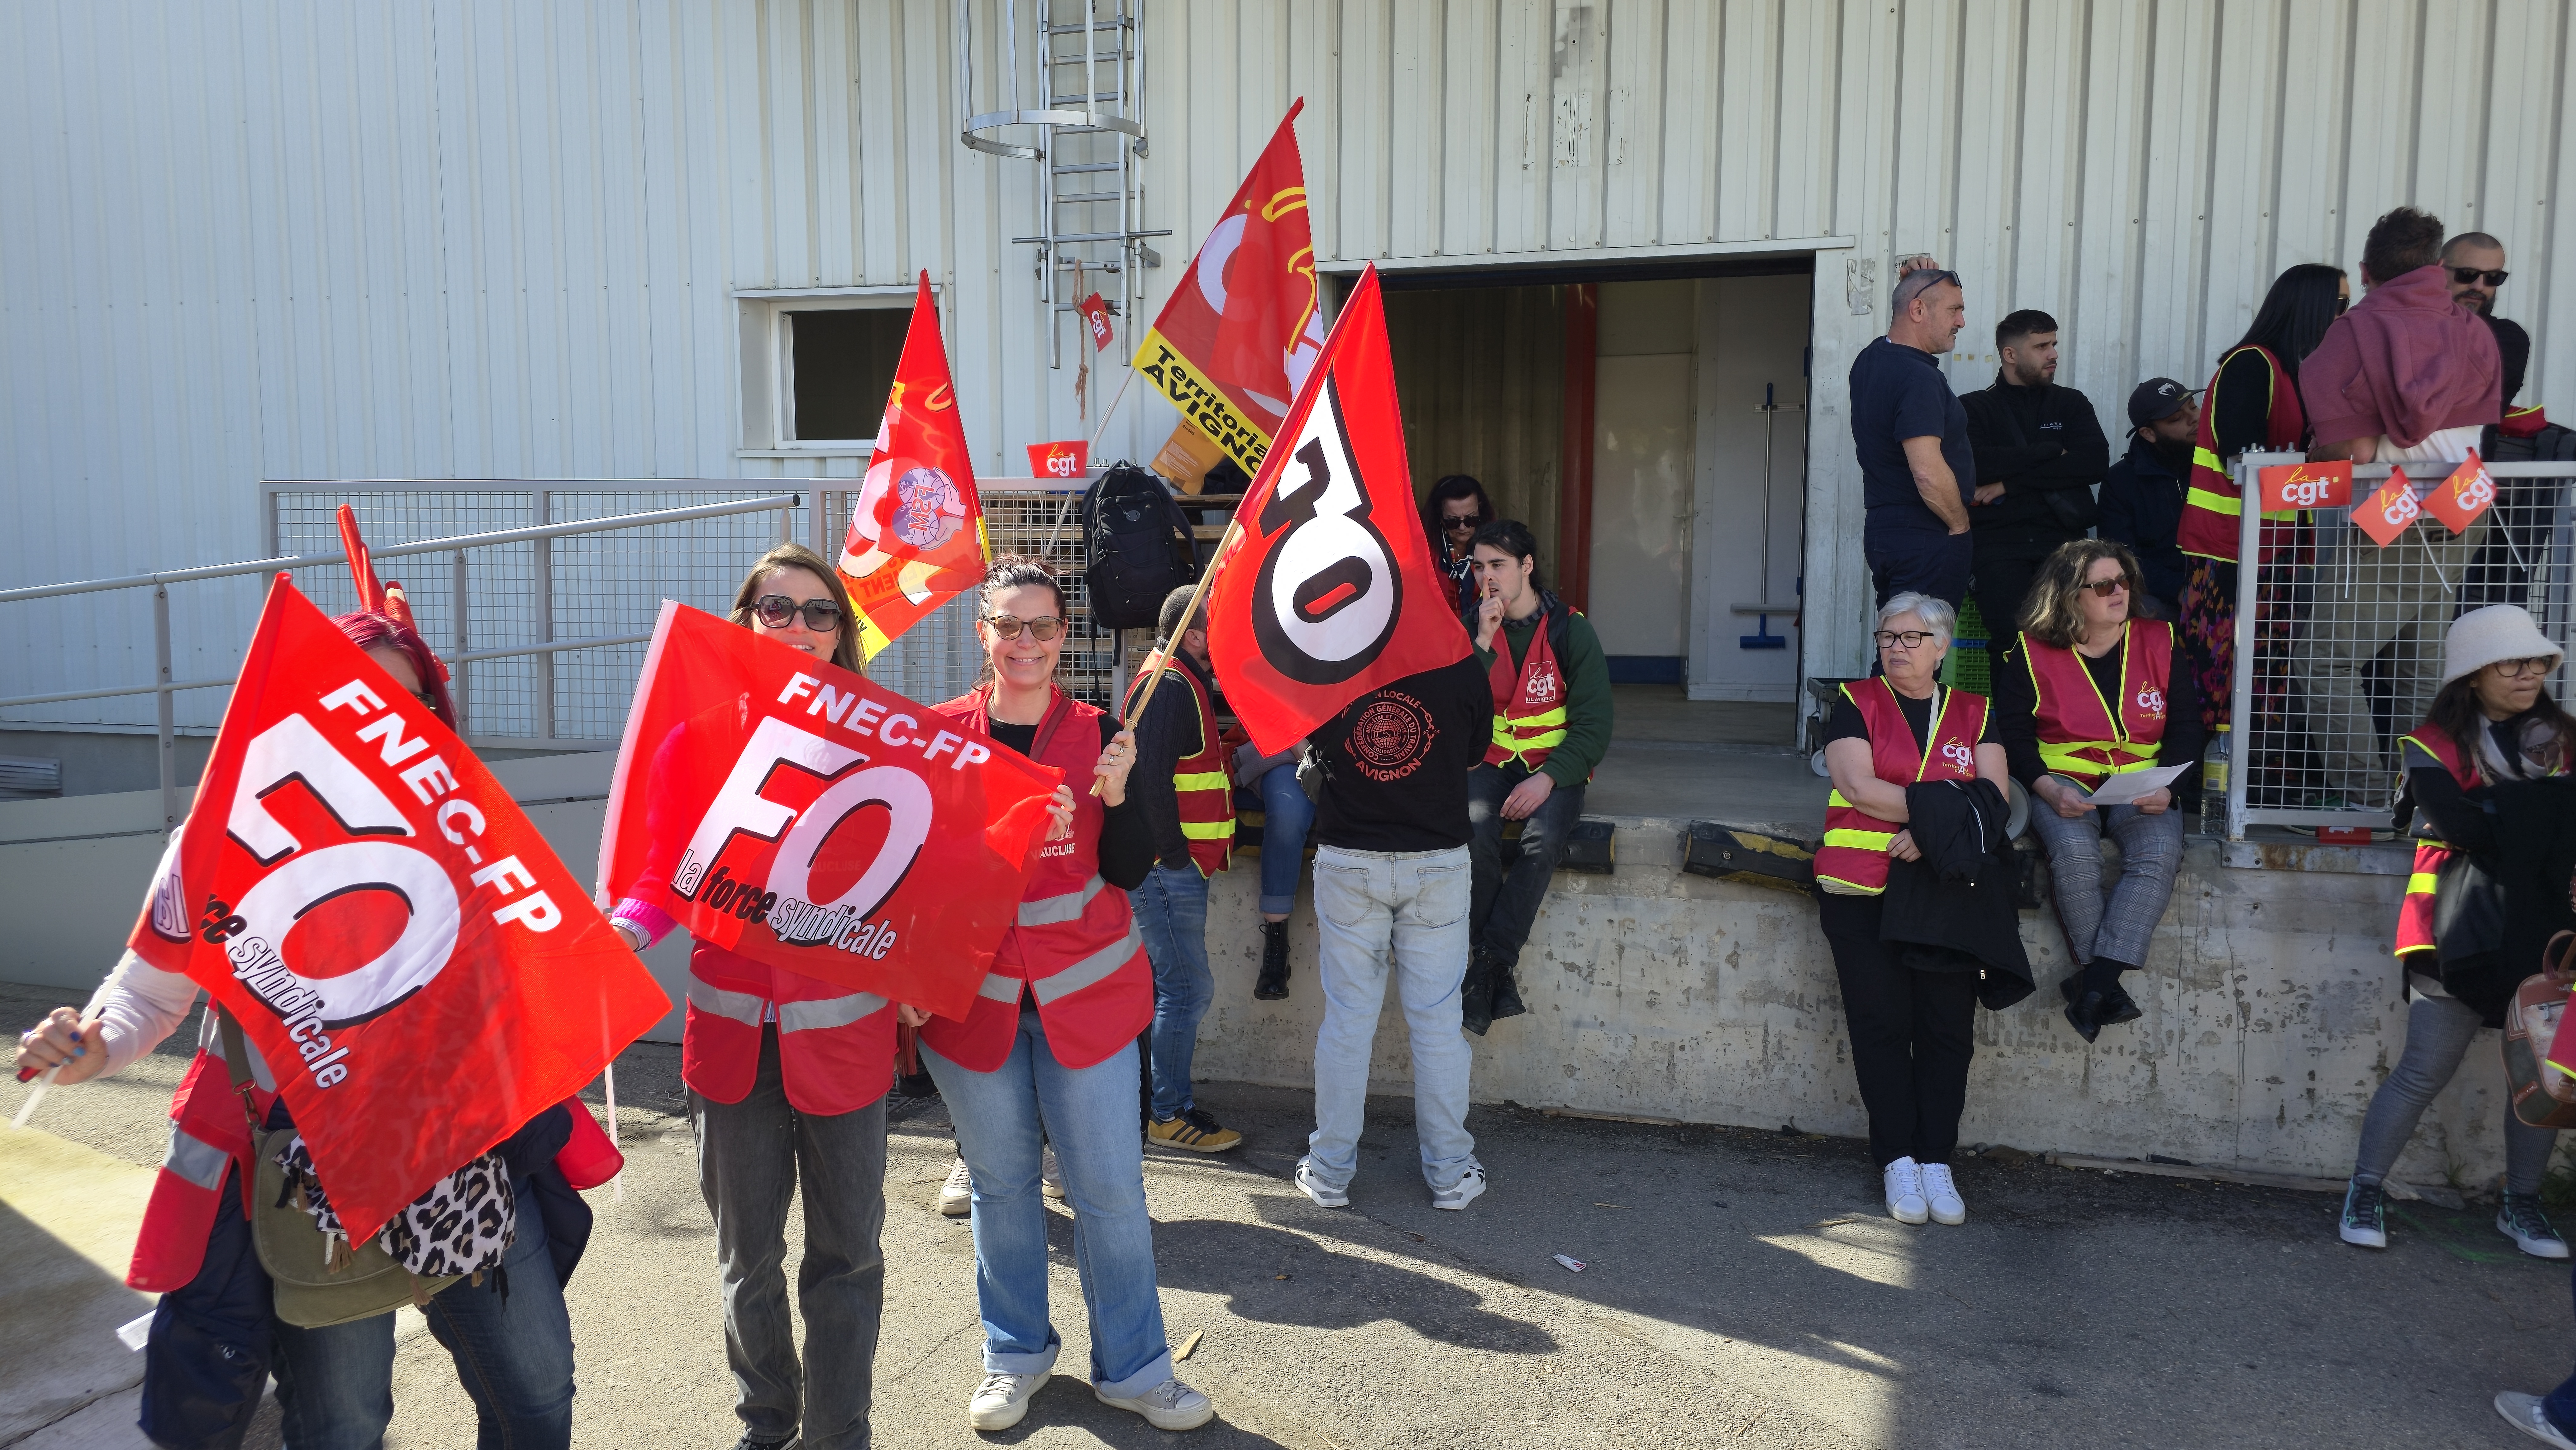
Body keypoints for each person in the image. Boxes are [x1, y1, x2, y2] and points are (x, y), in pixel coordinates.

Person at [15, 608, 598, 1450]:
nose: (381, 722)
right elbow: (147, 993)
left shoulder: (469, 828)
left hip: (466, 1152)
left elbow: (527, 973)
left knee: (538, 1394)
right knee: (342, 1423)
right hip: (314, 1168)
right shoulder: (222, 833)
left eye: (407, 704)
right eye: (355, 696)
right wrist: (90, 1045)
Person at [606, 542, 901, 1450]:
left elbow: (939, 875)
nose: (799, 627)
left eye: (819, 612)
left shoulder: (891, 745)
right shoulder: (696, 743)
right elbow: (664, 877)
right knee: (747, 1261)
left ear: (842, 632)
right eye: (778, 608)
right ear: (745, 623)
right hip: (732, 1048)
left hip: (846, 1049)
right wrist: (624, 932)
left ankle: (839, 1435)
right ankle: (767, 1425)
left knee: (847, 1259)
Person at [916, 556, 1214, 1433]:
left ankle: (1136, 1370)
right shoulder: (937, 737)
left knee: (1110, 1193)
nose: (1027, 642)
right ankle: (1014, 1357)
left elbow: (1127, 869)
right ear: (983, 632)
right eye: (1009, 625)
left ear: (1063, 635)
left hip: (1086, 1005)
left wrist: (1117, 798)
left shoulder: (1103, 731)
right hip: (973, 1011)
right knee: (1002, 1189)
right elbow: (914, 873)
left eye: (1042, 626)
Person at [2339, 605, 2571, 1261]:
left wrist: (2497, 812)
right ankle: (2364, 1189)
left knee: (2542, 1078)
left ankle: (2522, 1203)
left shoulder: (2564, 738)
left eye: (2538, 661)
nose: (2530, 673)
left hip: (2550, 933)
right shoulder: (2429, 744)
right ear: (2473, 675)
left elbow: (2478, 823)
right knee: (2423, 1070)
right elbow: (2459, 826)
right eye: (2512, 662)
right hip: (2454, 931)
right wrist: (2553, 814)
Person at [1814, 592, 2013, 1226]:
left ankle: (1936, 1159)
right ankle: (1897, 1158)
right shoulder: (1856, 702)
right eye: (1887, 637)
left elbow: (1996, 799)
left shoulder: (1976, 711)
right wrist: (1944, 815)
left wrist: (1932, 829)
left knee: (1946, 1030)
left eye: (1910, 638)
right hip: (1863, 888)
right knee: (1880, 1026)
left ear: (1941, 646)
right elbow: (1858, 786)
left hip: (1944, 892)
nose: (1896, 648)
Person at [2299, 206, 2506, 802]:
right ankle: (2420, 801)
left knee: (2322, 660)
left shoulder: (2356, 330)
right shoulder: (2472, 330)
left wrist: (2317, 452)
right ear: (2437, 266)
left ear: (2367, 271)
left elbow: (2358, 449)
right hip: (2466, 499)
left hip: (2398, 507)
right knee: (2420, 665)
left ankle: (2368, 798)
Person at [1294, 643, 1496, 1213]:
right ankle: (1451, 1173)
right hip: (1437, 859)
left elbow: (1298, 736)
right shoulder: (1458, 659)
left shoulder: (1331, 655)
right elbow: (1472, 757)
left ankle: (1330, 1172)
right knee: (1438, 1025)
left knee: (1347, 1021)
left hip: (1349, 858)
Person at [1993, 540, 2203, 1042]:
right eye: (2104, 585)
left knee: (2159, 853)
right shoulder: (2029, 651)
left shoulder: (2159, 639)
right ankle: (2101, 987)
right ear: (2071, 596)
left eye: (2124, 581)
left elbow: (2188, 726)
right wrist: (2047, 790)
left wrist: (2170, 788)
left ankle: (2094, 986)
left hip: (2143, 783)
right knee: (2074, 854)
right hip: (2061, 781)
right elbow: (2014, 737)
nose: (2119, 592)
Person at [2173, 262, 2346, 737]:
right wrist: (2334, 477)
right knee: (2221, 670)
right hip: (2229, 551)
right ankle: (2211, 769)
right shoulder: (2251, 365)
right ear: (2310, 308)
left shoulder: (2297, 372)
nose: (2347, 317)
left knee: (2267, 670)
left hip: (2274, 549)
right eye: (2340, 305)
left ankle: (2262, 767)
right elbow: (2242, 461)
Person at [1458, 518, 1612, 1035]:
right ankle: (1494, 966)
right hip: (1490, 760)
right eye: (1479, 567)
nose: (1487, 577)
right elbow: (1455, 711)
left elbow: (1594, 726)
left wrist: (1548, 779)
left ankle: (1489, 963)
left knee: (1541, 843)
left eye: (1499, 565)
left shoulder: (1571, 629)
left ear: (1527, 566)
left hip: (1556, 766)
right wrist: (1483, 640)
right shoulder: (1469, 627)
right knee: (1473, 830)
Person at [1123, 584, 1244, 1152]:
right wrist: (1175, 857)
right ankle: (1168, 1114)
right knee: (1187, 989)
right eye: (1219, 625)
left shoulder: (1175, 681)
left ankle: (1166, 1106)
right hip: (1169, 870)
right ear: (1194, 635)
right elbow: (1148, 783)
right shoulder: (1170, 685)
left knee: (1175, 988)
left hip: (1175, 867)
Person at [1960, 309, 2109, 632]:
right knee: (2012, 643)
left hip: (2065, 546)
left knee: (2070, 639)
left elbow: (2094, 463)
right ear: (2010, 355)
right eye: (2042, 346)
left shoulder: (2071, 403)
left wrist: (2009, 485)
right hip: (1998, 548)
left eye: (2054, 344)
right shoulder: (1974, 408)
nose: (2053, 354)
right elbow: (1977, 464)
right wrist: (2052, 450)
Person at [1850, 260, 1976, 609]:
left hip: (1885, 528)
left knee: (1898, 636)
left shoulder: (1870, 360)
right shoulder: (1918, 378)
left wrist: (1914, 282)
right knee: (1921, 640)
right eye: (1954, 310)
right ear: (1918, 310)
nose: (1961, 322)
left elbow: (1901, 315)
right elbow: (1926, 471)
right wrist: (1960, 525)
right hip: (1926, 529)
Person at [2099, 378, 2202, 620]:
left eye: (2194, 407)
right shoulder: (2121, 481)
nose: (2194, 419)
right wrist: (2178, 588)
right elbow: (2122, 557)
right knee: (2142, 609)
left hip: (2215, 582)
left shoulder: (2218, 465)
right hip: (2159, 594)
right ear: (2148, 434)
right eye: (2176, 419)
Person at [1231, 735, 1314, 999]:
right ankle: (1276, 949)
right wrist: (1305, 753)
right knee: (1288, 816)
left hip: (1367, 750)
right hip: (1290, 748)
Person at [2444, 231, 2528, 406]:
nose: (2479, 287)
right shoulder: (2408, 323)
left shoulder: (2507, 337)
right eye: (2467, 273)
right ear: (2437, 270)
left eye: (2492, 277)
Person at [1420, 474, 1496, 613]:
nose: (1462, 528)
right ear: (1440, 518)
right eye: (1453, 522)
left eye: (1471, 520)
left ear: (1480, 511)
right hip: (1435, 620)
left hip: (1484, 621)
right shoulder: (1422, 546)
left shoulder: (1496, 544)